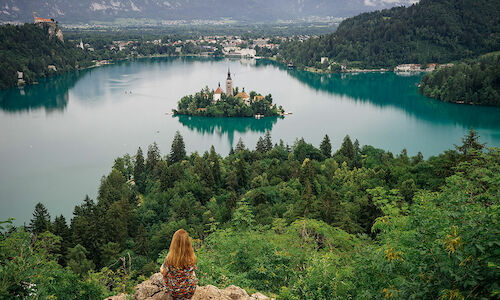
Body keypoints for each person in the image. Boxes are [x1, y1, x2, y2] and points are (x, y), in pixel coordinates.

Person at [160, 229, 198, 300]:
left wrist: (162, 268)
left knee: (165, 271)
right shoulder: (192, 258)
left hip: (175, 292)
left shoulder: (170, 259)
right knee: (192, 273)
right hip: (189, 291)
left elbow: (164, 273)